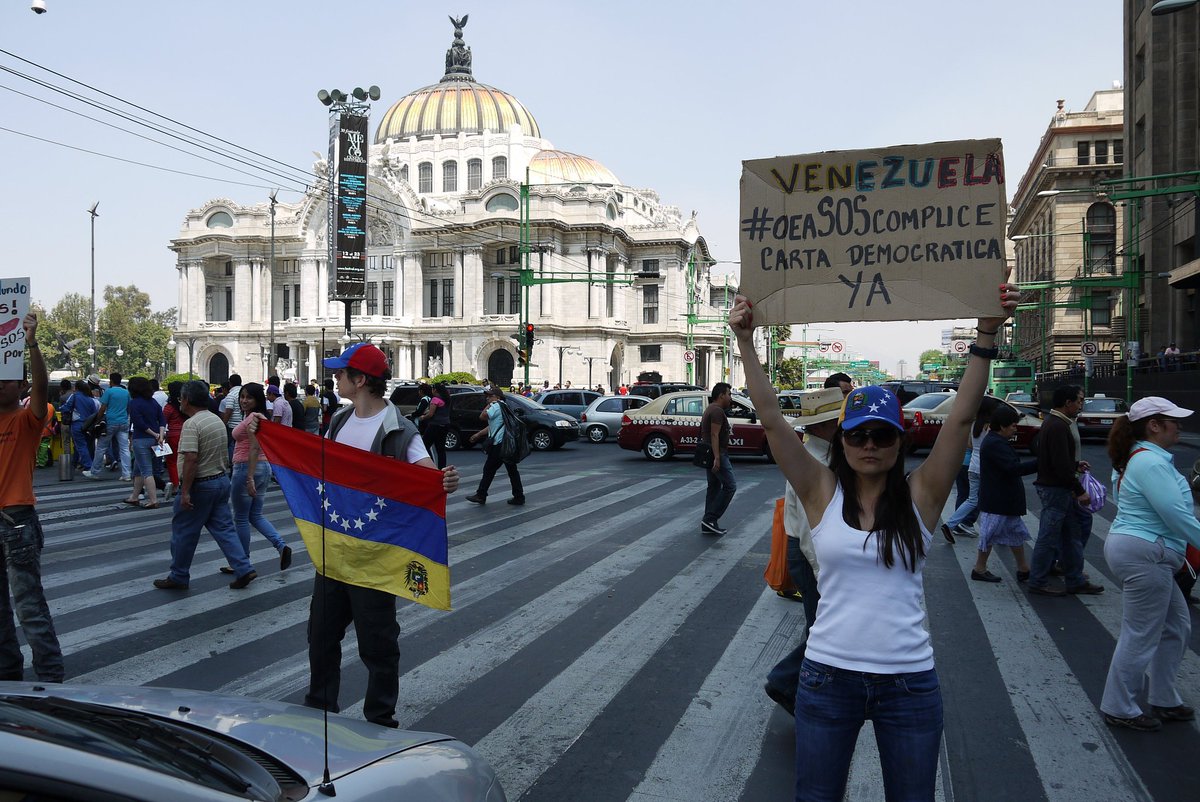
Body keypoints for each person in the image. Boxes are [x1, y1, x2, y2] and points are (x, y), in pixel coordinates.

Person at [731, 284, 1019, 801]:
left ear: (899, 441)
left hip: (908, 685)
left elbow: (960, 416)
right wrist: (746, 342)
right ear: (841, 440)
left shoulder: (922, 496)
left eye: (882, 435)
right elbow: (772, 419)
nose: (869, 444)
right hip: (827, 679)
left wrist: (986, 336)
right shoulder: (820, 491)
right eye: (858, 434)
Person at [295, 342, 458, 728]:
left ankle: (380, 720)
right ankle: (319, 709)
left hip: (375, 557)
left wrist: (444, 481)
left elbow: (427, 476)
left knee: (377, 644)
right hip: (334, 552)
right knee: (320, 635)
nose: (335, 378)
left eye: (341, 373)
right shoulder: (339, 421)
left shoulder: (399, 430)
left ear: (361, 380)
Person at [1100, 397, 1199, 732]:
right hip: (1147, 553)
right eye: (1174, 420)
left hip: (1141, 550)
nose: (1179, 426)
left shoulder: (1138, 458)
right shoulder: (1151, 463)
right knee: (1141, 633)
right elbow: (1176, 515)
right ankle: (1119, 706)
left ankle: (1164, 698)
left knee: (1176, 626)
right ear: (1154, 426)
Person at [763, 387, 842, 715]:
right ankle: (788, 683)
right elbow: (812, 528)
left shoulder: (821, 454)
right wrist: (824, 574)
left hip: (807, 552)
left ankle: (796, 687)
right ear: (823, 426)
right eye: (837, 421)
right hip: (810, 554)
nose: (842, 426)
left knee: (822, 627)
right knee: (823, 629)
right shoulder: (816, 461)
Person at [0, 312, 64, 684]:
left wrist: (32, 343)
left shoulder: (27, 418)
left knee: (29, 607)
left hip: (17, 521)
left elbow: (42, 386)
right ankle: (7, 675)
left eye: (6, 380)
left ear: (21, 385)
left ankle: (50, 678)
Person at [152, 380, 257, 591]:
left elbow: (191, 458)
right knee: (225, 529)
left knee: (184, 532)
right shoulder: (215, 420)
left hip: (200, 485)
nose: (180, 402)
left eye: (181, 398)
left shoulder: (192, 424)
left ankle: (179, 575)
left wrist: (185, 492)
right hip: (220, 480)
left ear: (186, 399)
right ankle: (243, 567)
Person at [1027, 386, 1104, 596]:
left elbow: (1057, 459)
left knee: (1072, 535)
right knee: (1048, 538)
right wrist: (1079, 490)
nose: (1080, 405)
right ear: (1067, 403)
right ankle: (1038, 581)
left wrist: (1075, 465)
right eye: (1079, 401)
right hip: (1055, 490)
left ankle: (1075, 579)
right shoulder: (1058, 426)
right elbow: (1059, 464)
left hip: (1057, 488)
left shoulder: (1055, 422)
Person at [228, 383, 291, 572]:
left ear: (258, 400)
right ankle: (281, 545)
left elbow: (254, 447)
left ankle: (242, 563)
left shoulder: (254, 418)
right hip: (263, 468)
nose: (244, 400)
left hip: (247, 467)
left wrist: (249, 478)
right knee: (255, 515)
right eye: (242, 396)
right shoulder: (260, 417)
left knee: (240, 518)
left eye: (249, 397)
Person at [973, 403, 1036, 582]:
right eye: (1013, 425)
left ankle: (1023, 568)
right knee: (989, 534)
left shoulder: (997, 441)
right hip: (997, 500)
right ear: (1002, 426)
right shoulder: (994, 443)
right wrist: (1039, 464)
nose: (1015, 429)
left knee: (1015, 533)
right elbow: (1012, 468)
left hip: (1004, 500)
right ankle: (979, 568)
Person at [941, 398, 997, 541]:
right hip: (985, 467)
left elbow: (970, 445)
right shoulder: (990, 427)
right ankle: (993, 529)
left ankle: (950, 524)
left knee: (971, 499)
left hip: (973, 466)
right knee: (990, 498)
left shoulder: (974, 425)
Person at [466, 386, 525, 505]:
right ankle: (519, 496)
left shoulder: (496, 406)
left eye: (490, 396)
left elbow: (482, 416)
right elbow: (494, 425)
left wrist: (489, 404)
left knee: (489, 469)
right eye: (487, 396)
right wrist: (478, 434)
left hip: (499, 444)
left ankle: (481, 495)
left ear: (497, 397)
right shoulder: (504, 406)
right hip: (506, 444)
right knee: (512, 471)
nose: (487, 398)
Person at [124, 376, 166, 509]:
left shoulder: (134, 403)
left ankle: (153, 500)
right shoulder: (153, 402)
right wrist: (160, 435)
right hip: (155, 440)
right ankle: (134, 497)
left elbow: (139, 423)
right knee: (138, 469)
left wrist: (154, 434)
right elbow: (162, 419)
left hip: (141, 439)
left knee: (146, 471)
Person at [700, 382, 736, 535]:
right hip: (717, 453)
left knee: (714, 486)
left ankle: (708, 523)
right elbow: (714, 434)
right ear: (721, 395)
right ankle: (710, 518)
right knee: (730, 486)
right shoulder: (717, 411)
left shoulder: (711, 409)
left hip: (710, 453)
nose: (730, 397)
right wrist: (717, 458)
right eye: (729, 394)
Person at [83, 372, 131, 480]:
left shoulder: (109, 391)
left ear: (111, 381)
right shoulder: (126, 392)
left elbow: (103, 408)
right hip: (123, 423)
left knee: (101, 447)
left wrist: (97, 420)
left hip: (110, 422)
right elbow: (129, 408)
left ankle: (95, 472)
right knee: (124, 449)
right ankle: (126, 474)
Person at [59, 379, 98, 472]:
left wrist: (60, 408)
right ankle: (78, 463)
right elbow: (94, 413)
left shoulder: (75, 396)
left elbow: (66, 407)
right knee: (87, 446)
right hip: (88, 425)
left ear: (76, 388)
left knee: (80, 446)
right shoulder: (90, 399)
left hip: (77, 424)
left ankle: (89, 466)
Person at [421, 383, 451, 470]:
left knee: (424, 445)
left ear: (435, 390)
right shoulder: (446, 399)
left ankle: (430, 465)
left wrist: (423, 417)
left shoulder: (435, 399)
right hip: (445, 425)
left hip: (435, 425)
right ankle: (442, 468)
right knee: (440, 449)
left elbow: (430, 414)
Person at [163, 381, 186, 492]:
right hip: (186, 433)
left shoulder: (169, 407)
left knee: (172, 461)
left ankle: (176, 485)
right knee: (185, 460)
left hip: (173, 435)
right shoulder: (186, 405)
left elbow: (163, 420)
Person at [219, 373, 244, 460]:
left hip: (233, 426)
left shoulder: (231, 395)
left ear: (230, 384)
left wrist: (223, 424)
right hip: (244, 423)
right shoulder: (244, 392)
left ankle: (233, 462)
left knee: (232, 446)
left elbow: (229, 411)